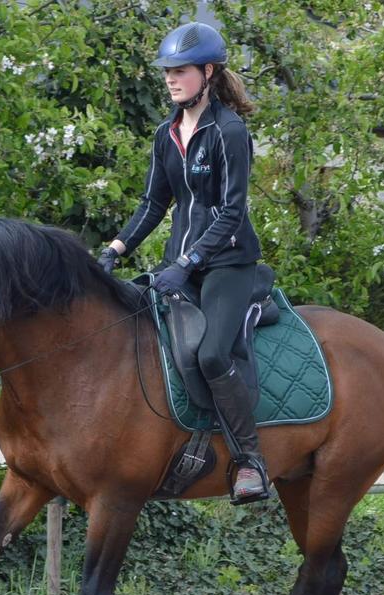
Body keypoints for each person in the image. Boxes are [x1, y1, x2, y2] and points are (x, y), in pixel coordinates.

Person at [97, 21, 269, 504]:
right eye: (167, 72)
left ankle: (250, 461)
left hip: (229, 264)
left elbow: (233, 212)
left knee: (212, 354)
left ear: (208, 72)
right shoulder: (165, 133)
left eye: (180, 71)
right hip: (180, 264)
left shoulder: (229, 132)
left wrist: (190, 260)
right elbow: (154, 204)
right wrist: (114, 250)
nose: (171, 79)